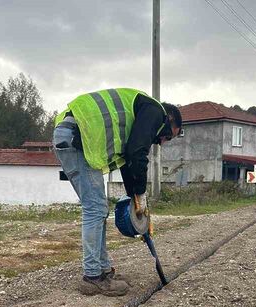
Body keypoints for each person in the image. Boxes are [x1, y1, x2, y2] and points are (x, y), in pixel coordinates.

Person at [52, 88, 182, 296]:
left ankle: (103, 271)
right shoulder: (155, 111)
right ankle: (93, 276)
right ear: (170, 119)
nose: (161, 142)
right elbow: (137, 153)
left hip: (75, 134)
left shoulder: (136, 116)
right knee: (94, 208)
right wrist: (140, 194)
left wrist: (135, 198)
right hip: (78, 135)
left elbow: (128, 161)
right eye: (167, 136)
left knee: (98, 208)